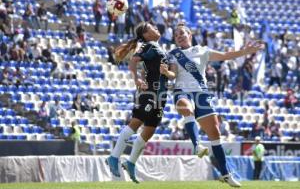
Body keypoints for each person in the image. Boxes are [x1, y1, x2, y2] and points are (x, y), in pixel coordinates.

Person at [169, 23, 264, 187]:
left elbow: (226, 55)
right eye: (176, 34)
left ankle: (226, 174)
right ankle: (197, 145)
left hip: (202, 93)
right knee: (187, 108)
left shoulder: (203, 51)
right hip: (182, 91)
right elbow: (173, 74)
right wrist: (166, 73)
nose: (179, 36)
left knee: (215, 134)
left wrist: (245, 52)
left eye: (182, 33)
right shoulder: (173, 54)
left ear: (190, 35)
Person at [106, 22, 176, 183]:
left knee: (149, 131)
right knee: (136, 123)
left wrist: (146, 75)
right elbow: (133, 61)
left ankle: (130, 162)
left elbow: (148, 68)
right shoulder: (149, 46)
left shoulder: (158, 48)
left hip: (160, 97)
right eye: (152, 27)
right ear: (146, 34)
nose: (156, 28)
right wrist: (136, 79)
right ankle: (114, 156)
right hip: (149, 93)